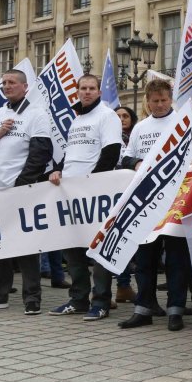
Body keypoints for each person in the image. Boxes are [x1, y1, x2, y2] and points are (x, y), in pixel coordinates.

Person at [0, 69, 53, 314]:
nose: (7, 86)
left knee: (26, 245)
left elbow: (41, 153)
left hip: (21, 189)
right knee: (0, 244)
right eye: (4, 83)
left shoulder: (36, 114)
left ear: (24, 87)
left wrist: (21, 184)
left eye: (12, 82)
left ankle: (32, 297)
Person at [117, 78, 192, 331]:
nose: (159, 105)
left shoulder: (183, 123)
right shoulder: (141, 127)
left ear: (170, 99)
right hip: (146, 202)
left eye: (163, 100)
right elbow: (127, 157)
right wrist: (136, 164)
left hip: (176, 202)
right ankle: (144, 308)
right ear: (147, 102)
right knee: (145, 258)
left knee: (176, 258)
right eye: (154, 101)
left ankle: (175, 309)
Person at [47, 74, 122, 321]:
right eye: (82, 88)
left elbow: (111, 152)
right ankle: (78, 299)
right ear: (76, 92)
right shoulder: (77, 119)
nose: (87, 92)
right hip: (69, 193)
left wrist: (93, 184)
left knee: (97, 249)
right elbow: (71, 155)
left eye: (92, 88)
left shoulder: (107, 116)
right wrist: (57, 169)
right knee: (73, 249)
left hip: (93, 194)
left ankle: (100, 301)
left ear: (99, 92)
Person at [112, 105, 138, 305]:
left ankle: (125, 286)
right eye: (117, 116)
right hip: (112, 194)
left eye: (125, 115)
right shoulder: (109, 137)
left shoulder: (136, 137)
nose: (121, 119)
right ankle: (119, 286)